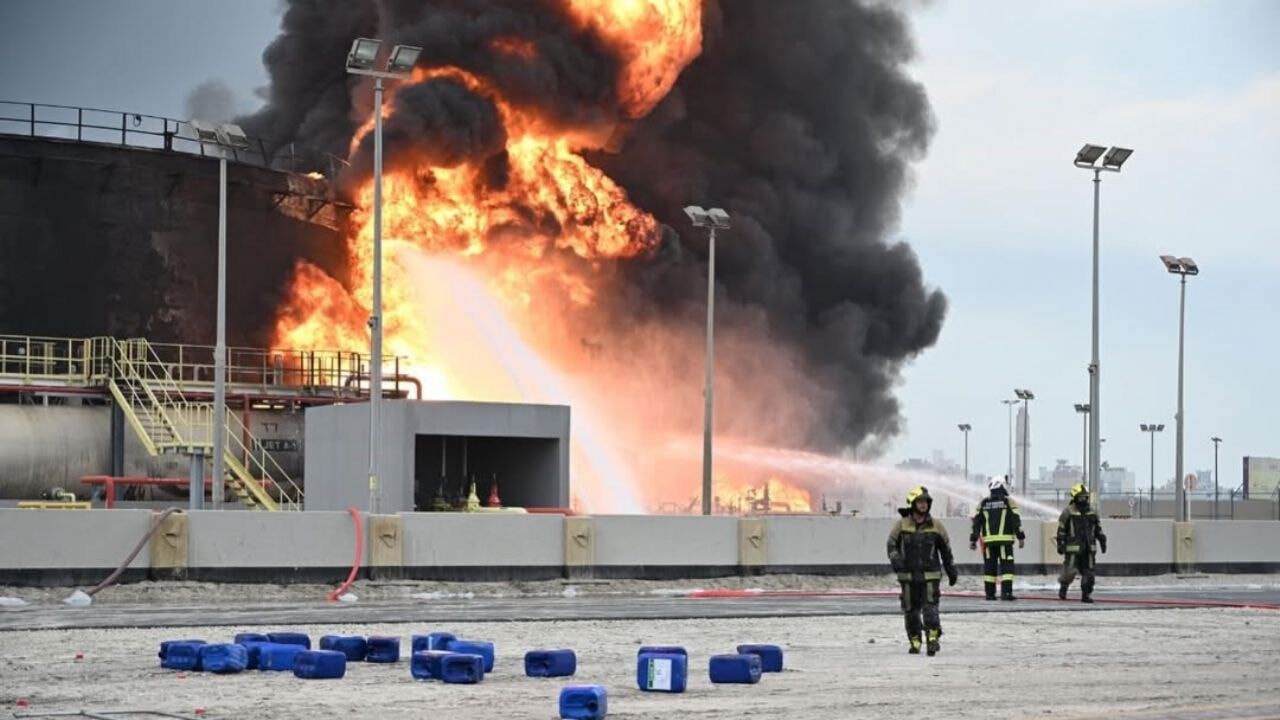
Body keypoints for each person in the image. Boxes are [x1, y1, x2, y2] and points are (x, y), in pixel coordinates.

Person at [887, 486, 958, 656]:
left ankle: (933, 639)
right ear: (913, 504)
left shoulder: (937, 526)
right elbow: (891, 545)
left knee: (930, 609)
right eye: (920, 502)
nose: (923, 505)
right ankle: (915, 641)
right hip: (908, 576)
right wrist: (896, 560)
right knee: (911, 611)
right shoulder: (901, 525)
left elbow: (946, 551)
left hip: (930, 576)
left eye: (925, 502)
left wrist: (951, 570)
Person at [969, 475, 1026, 601]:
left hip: (989, 543)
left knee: (989, 568)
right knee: (1007, 568)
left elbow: (976, 523)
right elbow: (1016, 521)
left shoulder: (983, 503)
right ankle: (1006, 594)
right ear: (1002, 485)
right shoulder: (1009, 502)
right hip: (1005, 542)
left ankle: (989, 594)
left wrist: (973, 540)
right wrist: (1021, 537)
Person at [1056, 483, 1107, 603]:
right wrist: (1061, 543)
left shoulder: (1092, 512)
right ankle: (1063, 588)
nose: (1083, 499)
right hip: (1073, 548)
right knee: (1069, 571)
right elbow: (1061, 529)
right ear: (1075, 498)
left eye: (1085, 497)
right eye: (1080, 497)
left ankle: (1086, 594)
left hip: (1089, 548)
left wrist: (1102, 539)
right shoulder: (1068, 512)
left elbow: (1098, 528)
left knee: (1089, 572)